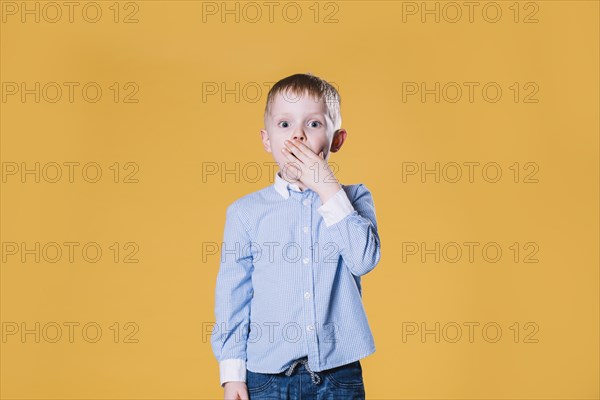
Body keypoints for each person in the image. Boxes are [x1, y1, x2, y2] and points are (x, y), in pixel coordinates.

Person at [210, 72, 382, 399]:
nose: (298, 136)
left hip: (339, 375)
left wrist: (326, 186)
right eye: (285, 124)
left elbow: (363, 260)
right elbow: (233, 296)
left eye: (314, 124)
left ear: (337, 140)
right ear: (267, 139)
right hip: (267, 377)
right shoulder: (245, 212)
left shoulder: (354, 198)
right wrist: (232, 373)